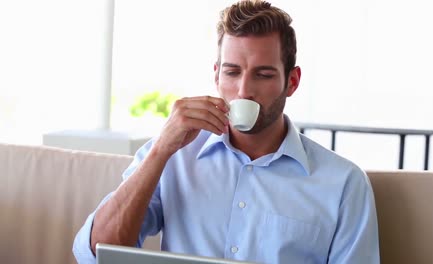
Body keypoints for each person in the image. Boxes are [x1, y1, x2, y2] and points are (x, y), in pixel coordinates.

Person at [73, 0, 380, 263]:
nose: (244, 91)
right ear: (217, 74)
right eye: (232, 72)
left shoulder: (343, 185)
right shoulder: (175, 156)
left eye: (263, 74)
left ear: (292, 81)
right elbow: (94, 254)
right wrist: (160, 151)